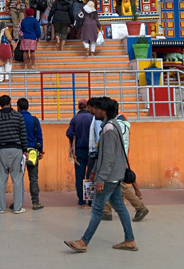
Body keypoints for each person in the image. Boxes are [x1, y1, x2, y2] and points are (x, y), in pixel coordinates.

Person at [64, 97, 137, 253]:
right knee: (120, 207)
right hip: (114, 174)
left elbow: (108, 157)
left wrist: (100, 178)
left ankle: (84, 242)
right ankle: (129, 240)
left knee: (97, 209)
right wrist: (94, 170)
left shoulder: (109, 129)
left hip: (109, 176)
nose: (93, 111)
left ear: (103, 111)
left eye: (96, 109)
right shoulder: (111, 126)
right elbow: (102, 153)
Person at [102, 114, 149, 222]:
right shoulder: (122, 124)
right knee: (111, 184)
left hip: (115, 160)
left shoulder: (114, 124)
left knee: (119, 185)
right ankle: (106, 210)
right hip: (120, 159)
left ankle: (139, 207)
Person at [0, 95, 28, 214]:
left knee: (1, 180)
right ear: (10, 103)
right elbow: (23, 134)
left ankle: (1, 208)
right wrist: (24, 150)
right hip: (16, 150)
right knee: (17, 179)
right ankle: (17, 207)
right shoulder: (18, 116)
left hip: (1, 150)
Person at [66, 99, 94, 208]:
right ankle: (90, 199)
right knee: (91, 175)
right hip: (92, 151)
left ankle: (81, 199)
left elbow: (69, 133)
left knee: (79, 176)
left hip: (79, 150)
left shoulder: (75, 119)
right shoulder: (93, 118)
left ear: (78, 107)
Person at [17, 98, 44, 210]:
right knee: (33, 178)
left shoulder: (17, 119)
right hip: (33, 151)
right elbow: (39, 136)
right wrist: (41, 151)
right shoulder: (34, 120)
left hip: (19, 151)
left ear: (18, 107)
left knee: (18, 178)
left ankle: (18, 202)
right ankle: (35, 202)